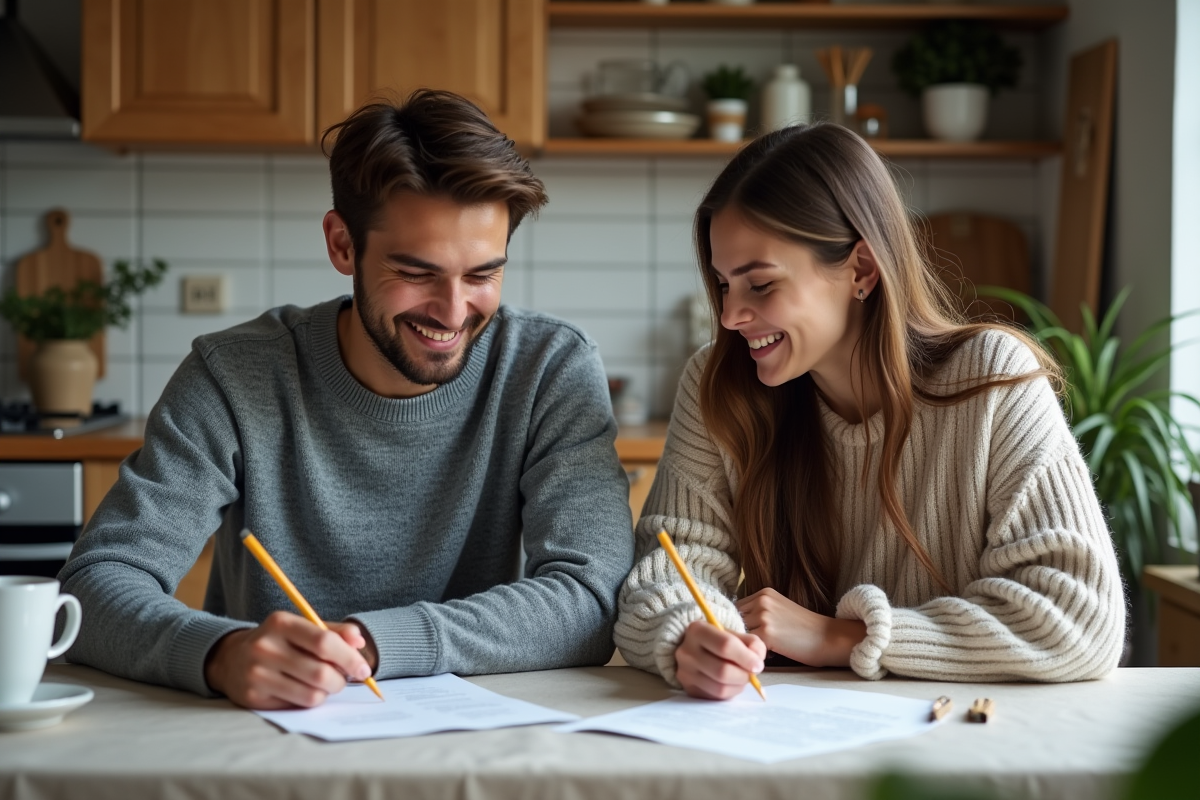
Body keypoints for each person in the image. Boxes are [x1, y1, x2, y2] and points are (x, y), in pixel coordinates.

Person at [60, 90, 634, 710]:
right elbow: (93, 589)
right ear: (341, 245)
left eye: (481, 275)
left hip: (474, 739)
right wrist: (221, 654)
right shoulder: (233, 376)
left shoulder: (549, 369)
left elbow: (592, 598)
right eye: (416, 273)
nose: (452, 311)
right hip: (265, 740)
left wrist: (375, 643)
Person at [614, 123, 1125, 699]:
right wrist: (688, 636)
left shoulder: (993, 380)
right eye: (723, 284)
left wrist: (841, 637)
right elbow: (665, 574)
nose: (731, 315)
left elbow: (1081, 620)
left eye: (759, 284)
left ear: (861, 268)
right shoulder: (717, 385)